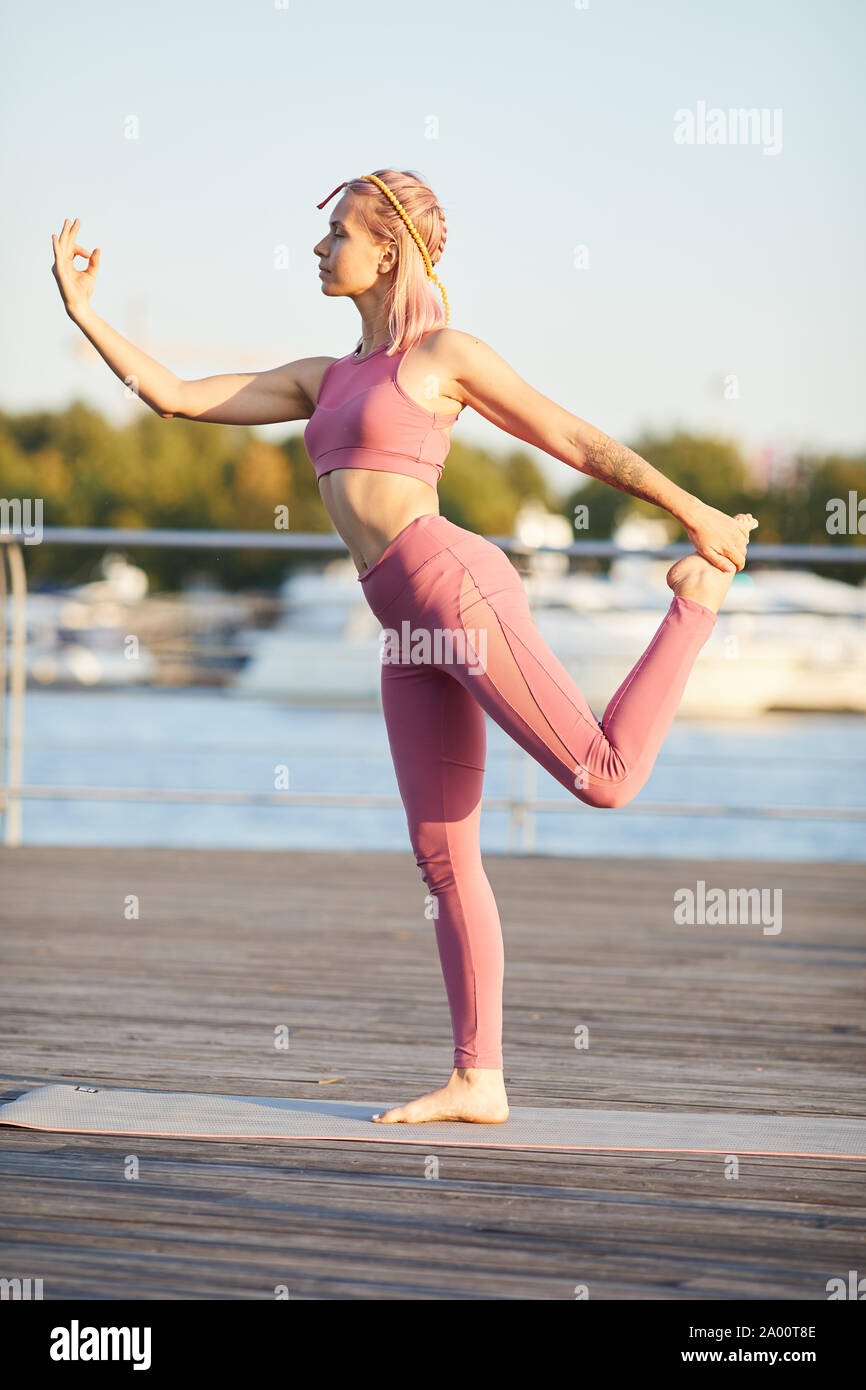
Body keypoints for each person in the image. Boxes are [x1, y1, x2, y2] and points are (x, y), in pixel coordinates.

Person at [50, 168, 756, 1126]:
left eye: (337, 232)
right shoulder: (324, 377)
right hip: (401, 621)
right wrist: (85, 313)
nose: (318, 247)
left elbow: (568, 437)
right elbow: (175, 396)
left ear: (389, 252)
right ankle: (479, 1078)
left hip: (453, 583)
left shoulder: (442, 356)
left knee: (604, 777)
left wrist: (693, 511)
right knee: (443, 856)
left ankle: (694, 603)